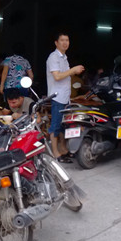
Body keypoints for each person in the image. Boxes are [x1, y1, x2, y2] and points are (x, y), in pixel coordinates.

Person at [46, 32, 85, 163]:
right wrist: (73, 70)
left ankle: (64, 150)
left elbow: (65, 75)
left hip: (65, 97)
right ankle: (55, 153)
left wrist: (74, 72)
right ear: (56, 43)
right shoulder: (53, 57)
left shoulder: (64, 58)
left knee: (63, 125)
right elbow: (57, 76)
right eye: (62, 40)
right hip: (57, 97)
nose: (65, 43)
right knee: (55, 125)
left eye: (67, 40)